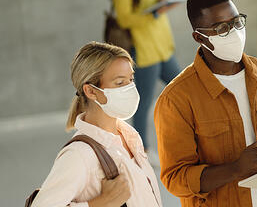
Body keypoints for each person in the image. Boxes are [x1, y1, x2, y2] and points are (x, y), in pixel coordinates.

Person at [154, 0, 257, 207]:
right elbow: (175, 179)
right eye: (222, 28)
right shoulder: (176, 99)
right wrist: (235, 169)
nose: (234, 32)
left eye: (237, 22)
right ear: (199, 37)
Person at [31, 42, 162, 207]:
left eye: (131, 79)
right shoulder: (79, 154)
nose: (130, 88)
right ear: (91, 91)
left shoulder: (128, 136)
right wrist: (99, 204)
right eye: (120, 83)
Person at [110, 0, 181, 153]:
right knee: (143, 105)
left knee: (184, 89)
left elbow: (151, 4)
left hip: (163, 48)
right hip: (144, 51)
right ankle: (141, 150)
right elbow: (125, 18)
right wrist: (156, 12)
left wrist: (161, 3)